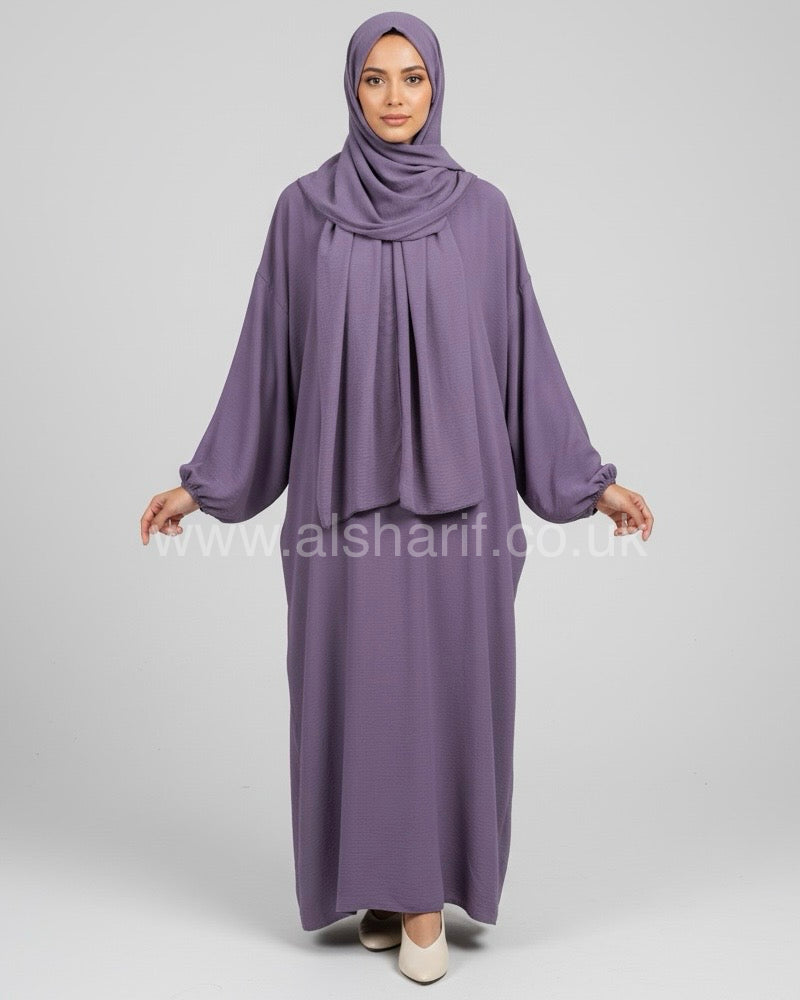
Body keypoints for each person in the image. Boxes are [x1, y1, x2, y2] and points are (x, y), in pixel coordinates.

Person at [140, 11, 653, 984]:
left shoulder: (484, 213)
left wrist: (588, 485)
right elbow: (268, 362)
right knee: (357, 691)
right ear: (350, 88)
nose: (393, 98)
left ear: (436, 87)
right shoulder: (302, 213)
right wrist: (202, 487)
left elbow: (521, 360)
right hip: (340, 514)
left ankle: (424, 902)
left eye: (411, 78)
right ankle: (377, 884)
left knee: (443, 692)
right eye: (374, 79)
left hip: (460, 521)